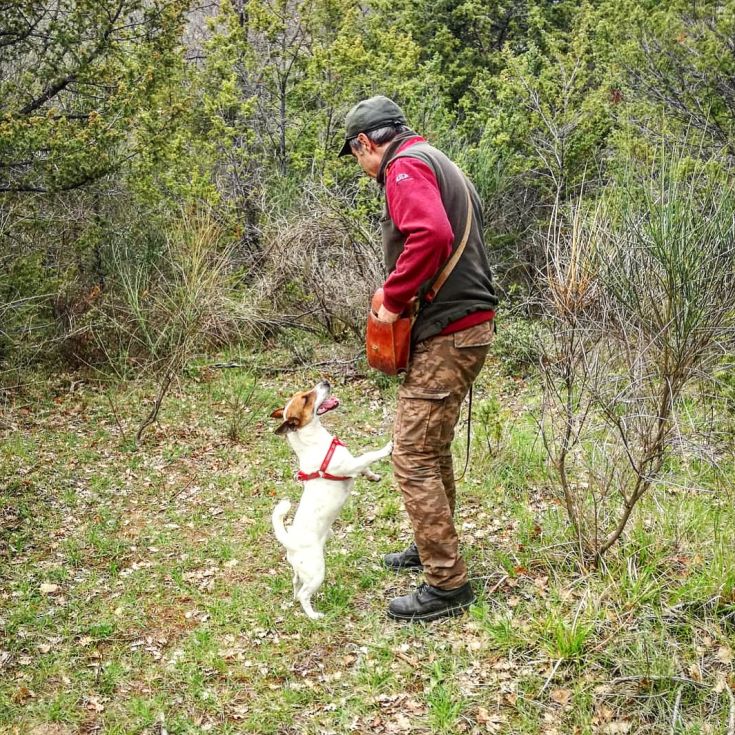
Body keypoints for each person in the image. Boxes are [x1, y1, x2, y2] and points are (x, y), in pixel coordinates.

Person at [339, 96, 498, 621]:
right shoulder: (434, 158)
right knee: (433, 448)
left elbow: (431, 234)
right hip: (465, 327)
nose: (364, 170)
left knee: (411, 456)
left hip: (449, 332)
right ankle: (431, 548)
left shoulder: (404, 167)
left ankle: (446, 585)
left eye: (357, 156)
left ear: (366, 143)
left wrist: (392, 295)